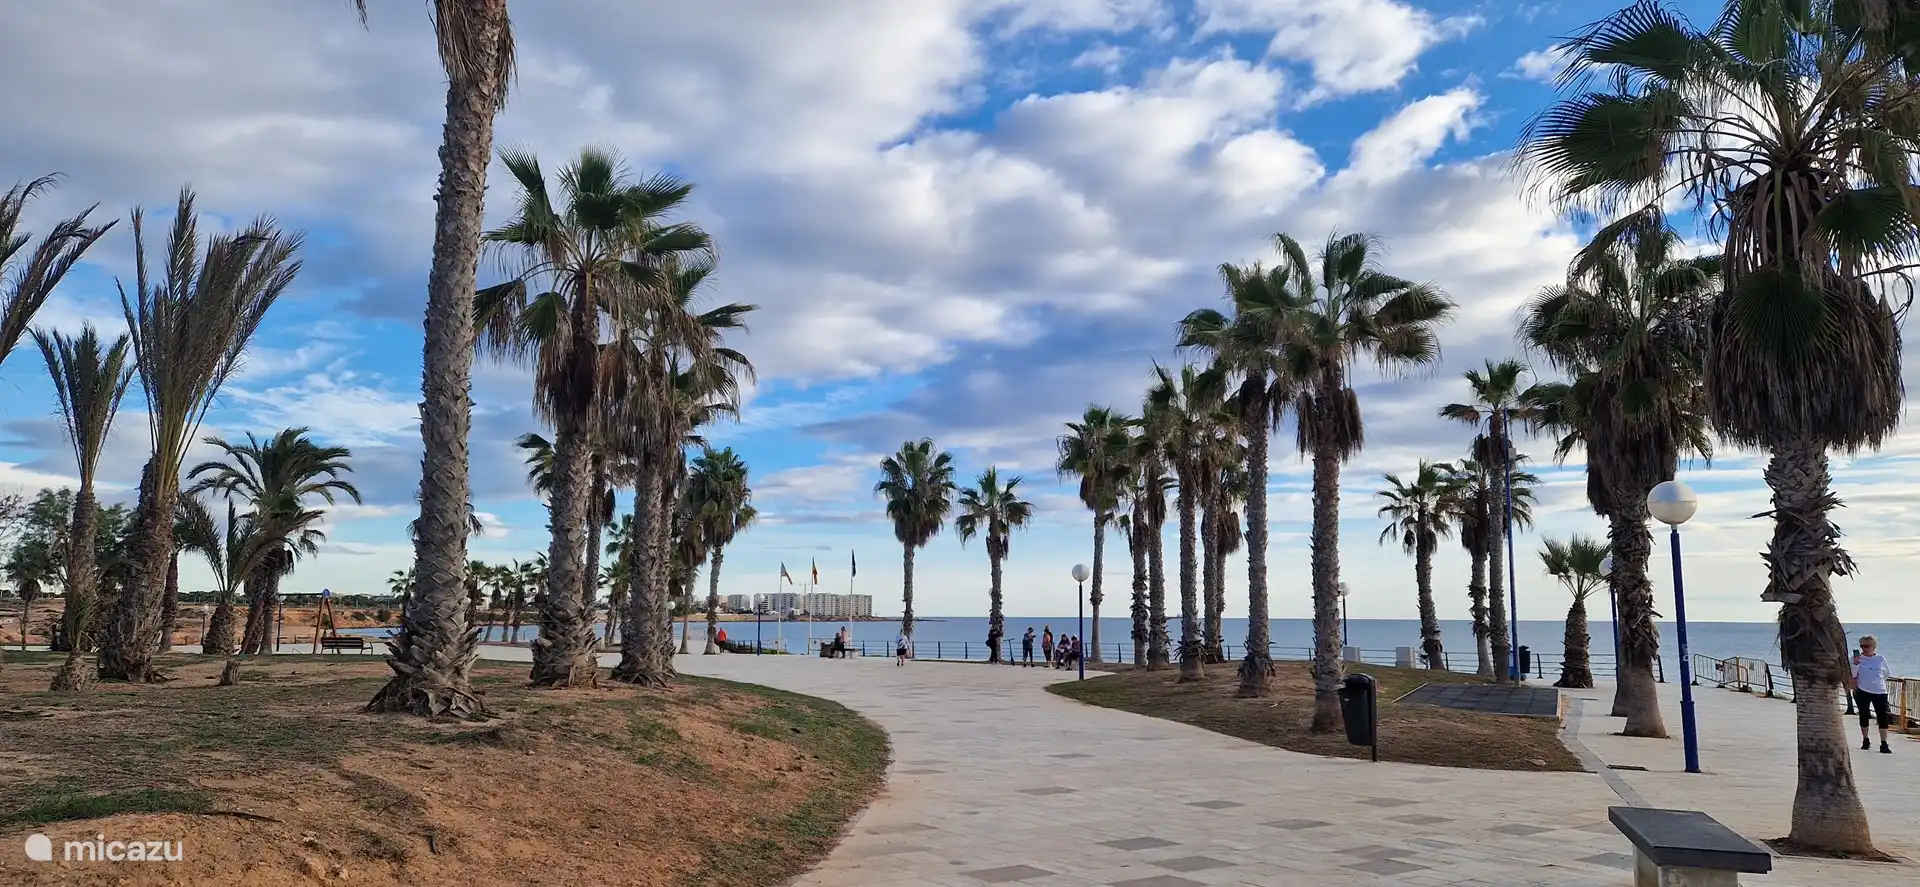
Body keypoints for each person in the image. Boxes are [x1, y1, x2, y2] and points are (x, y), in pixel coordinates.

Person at [1852, 635, 1895, 754]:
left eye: (1867, 646)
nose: (1864, 648)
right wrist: (1856, 664)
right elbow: (1852, 674)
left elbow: (1887, 673)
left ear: (1873, 647)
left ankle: (1884, 743)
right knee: (1864, 715)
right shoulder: (1856, 659)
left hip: (1880, 691)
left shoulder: (1880, 659)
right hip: (1862, 690)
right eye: (1862, 646)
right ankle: (1865, 739)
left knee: (1883, 716)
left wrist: (1878, 681)